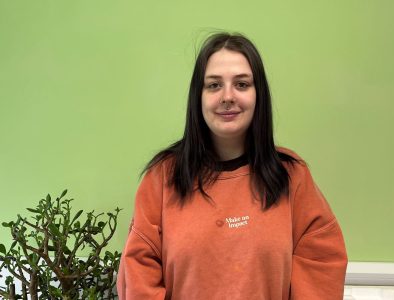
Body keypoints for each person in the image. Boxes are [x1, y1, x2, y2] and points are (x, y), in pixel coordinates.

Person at [117, 32, 347, 300]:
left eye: (241, 84)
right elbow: (138, 276)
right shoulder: (162, 177)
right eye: (214, 85)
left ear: (258, 95)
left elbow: (322, 266)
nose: (228, 96)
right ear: (198, 97)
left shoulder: (292, 176)